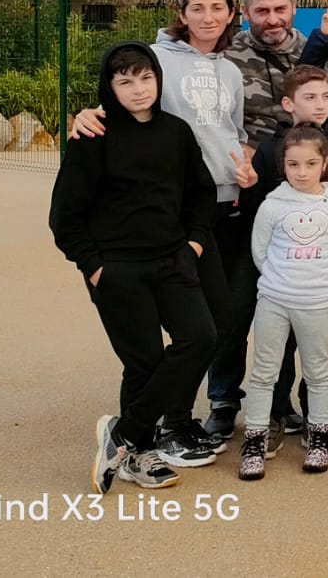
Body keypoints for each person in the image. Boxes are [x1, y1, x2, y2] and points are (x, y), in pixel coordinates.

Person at [71, 0, 257, 460]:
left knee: (213, 322)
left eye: (218, 7)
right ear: (183, 12)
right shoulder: (159, 60)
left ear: (231, 13)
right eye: (198, 7)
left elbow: (231, 131)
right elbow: (124, 89)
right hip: (161, 217)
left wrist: (244, 171)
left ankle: (163, 420)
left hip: (215, 206)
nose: (208, 16)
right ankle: (167, 424)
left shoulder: (232, 72)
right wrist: (86, 114)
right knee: (166, 333)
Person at [49, 43, 217, 492]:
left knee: (200, 338)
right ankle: (136, 457)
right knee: (142, 362)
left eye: (145, 78)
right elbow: (64, 215)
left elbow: (200, 192)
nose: (138, 89)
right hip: (118, 268)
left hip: (173, 259)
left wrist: (195, 243)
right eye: (125, 81)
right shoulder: (93, 137)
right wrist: (94, 266)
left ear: (158, 80)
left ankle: (122, 434)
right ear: (110, 87)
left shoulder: (176, 132)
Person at [246, 65, 328, 445]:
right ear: (288, 103)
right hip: (281, 281)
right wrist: (277, 273)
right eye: (310, 97)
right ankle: (274, 418)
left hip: (320, 279)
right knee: (274, 354)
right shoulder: (269, 148)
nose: (319, 104)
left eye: (325, 96)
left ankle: (318, 425)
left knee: (316, 358)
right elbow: (261, 216)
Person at [236, 125, 328, 479]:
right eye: (293, 165)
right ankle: (255, 438)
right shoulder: (272, 204)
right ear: (283, 166)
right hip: (274, 300)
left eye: (309, 163)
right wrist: (278, 279)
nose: (301, 172)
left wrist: (326, 280)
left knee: (317, 371)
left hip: (316, 303)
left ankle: (319, 434)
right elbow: (260, 251)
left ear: (324, 163)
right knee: (263, 373)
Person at [227, 0, 328, 140]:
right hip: (247, 159)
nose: (272, 20)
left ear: (293, 7)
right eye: (262, 11)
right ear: (245, 12)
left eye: (280, 9)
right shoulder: (228, 55)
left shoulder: (316, 52)